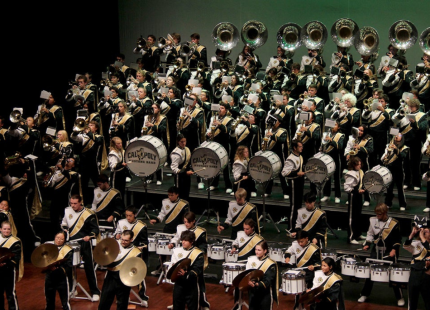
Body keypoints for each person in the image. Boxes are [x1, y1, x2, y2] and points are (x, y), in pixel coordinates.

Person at [359, 203, 403, 306]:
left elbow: (398, 239)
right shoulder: (373, 220)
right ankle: (364, 294)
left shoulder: (394, 223)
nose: (377, 216)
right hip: (377, 249)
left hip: (389, 250)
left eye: (379, 214)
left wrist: (394, 249)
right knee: (370, 271)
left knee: (393, 274)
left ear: (384, 213)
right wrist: (367, 244)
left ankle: (399, 297)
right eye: (376, 214)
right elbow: (370, 234)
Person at [61, 194, 100, 300]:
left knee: (89, 267)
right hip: (71, 243)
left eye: (75, 203)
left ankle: (95, 291)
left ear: (80, 202)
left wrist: (90, 236)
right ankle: (72, 289)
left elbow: (95, 229)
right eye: (71, 203)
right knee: (69, 267)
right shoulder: (67, 210)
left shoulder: (88, 214)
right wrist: (65, 229)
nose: (72, 205)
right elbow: (64, 222)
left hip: (84, 243)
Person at [168, 211, 209, 310]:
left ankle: (203, 303)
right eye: (185, 221)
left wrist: (195, 252)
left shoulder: (200, 231)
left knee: (198, 284)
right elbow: (177, 238)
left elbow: (203, 246)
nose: (186, 224)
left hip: (194, 257)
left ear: (193, 221)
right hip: (182, 256)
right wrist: (172, 243)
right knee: (178, 295)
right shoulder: (180, 228)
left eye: (188, 222)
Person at [98, 230, 143, 310]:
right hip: (110, 277)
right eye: (122, 239)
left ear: (131, 240)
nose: (123, 242)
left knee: (122, 304)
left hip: (124, 279)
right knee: (104, 302)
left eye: (126, 240)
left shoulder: (136, 252)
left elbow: (137, 269)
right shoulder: (114, 245)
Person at [114, 206, 149, 303]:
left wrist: (140, 247)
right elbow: (117, 234)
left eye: (130, 216)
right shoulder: (121, 222)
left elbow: (144, 242)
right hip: (123, 252)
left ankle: (142, 296)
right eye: (126, 215)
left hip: (134, 252)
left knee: (139, 274)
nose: (128, 218)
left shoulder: (142, 226)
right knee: (121, 273)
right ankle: (122, 296)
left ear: (135, 215)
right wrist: (116, 235)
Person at [285, 230, 321, 309]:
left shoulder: (314, 249)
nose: (300, 244)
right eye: (298, 241)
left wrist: (313, 266)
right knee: (298, 292)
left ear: (307, 238)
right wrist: (287, 257)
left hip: (310, 275)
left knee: (309, 295)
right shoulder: (295, 244)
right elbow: (288, 251)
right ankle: (298, 306)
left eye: (302, 241)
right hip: (299, 273)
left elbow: (319, 263)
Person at [171, 230, 204, 310]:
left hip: (191, 285)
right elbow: (173, 265)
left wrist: (186, 274)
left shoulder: (198, 254)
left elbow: (197, 270)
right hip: (178, 284)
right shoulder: (176, 251)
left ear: (192, 241)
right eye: (182, 240)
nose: (183, 242)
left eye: (186, 240)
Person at [48, 157, 82, 234]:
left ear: (73, 165)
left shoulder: (75, 174)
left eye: (71, 160)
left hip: (65, 199)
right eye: (68, 159)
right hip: (55, 199)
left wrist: (62, 170)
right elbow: (51, 185)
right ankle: (55, 235)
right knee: (53, 218)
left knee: (66, 218)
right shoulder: (57, 172)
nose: (68, 160)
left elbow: (70, 178)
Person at [206, 103, 233, 193]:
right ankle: (214, 183)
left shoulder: (229, 119)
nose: (220, 109)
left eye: (222, 108)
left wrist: (219, 124)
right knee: (215, 163)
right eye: (219, 108)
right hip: (215, 142)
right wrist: (208, 133)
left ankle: (228, 185)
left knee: (225, 165)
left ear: (226, 110)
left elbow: (228, 130)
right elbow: (209, 128)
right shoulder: (213, 118)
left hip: (225, 143)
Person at [403, 223, 430, 310]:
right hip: (415, 274)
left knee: (428, 302)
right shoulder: (416, 243)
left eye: (426, 232)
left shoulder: (427, 244)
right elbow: (406, 246)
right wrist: (412, 234)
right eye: (424, 232)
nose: (425, 233)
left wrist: (422, 237)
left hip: (427, 275)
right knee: (412, 302)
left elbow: (428, 250)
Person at [245, 241, 278, 310]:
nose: (256, 252)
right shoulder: (251, 259)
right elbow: (247, 274)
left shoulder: (270, 264)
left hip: (265, 294)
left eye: (259, 250)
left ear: (265, 251)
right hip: (253, 293)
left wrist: (256, 284)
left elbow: (268, 281)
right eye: (256, 249)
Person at [44, 232, 73, 310]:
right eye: (57, 238)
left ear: (64, 240)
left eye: (61, 239)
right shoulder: (48, 247)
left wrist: (58, 269)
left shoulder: (68, 250)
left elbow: (69, 265)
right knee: (49, 301)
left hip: (61, 278)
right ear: (54, 237)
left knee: (65, 302)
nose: (59, 240)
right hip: (50, 276)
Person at [345, 125, 373, 206]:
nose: (359, 132)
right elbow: (348, 148)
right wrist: (347, 154)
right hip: (353, 162)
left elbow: (371, 150)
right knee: (352, 181)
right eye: (359, 130)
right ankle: (350, 197)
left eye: (361, 131)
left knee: (364, 181)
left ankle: (367, 199)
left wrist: (360, 147)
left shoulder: (369, 139)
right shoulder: (353, 138)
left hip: (363, 163)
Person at [282, 140, 305, 230]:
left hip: (299, 183)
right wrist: (296, 173)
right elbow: (284, 173)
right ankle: (290, 228)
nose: (301, 148)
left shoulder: (300, 156)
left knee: (298, 206)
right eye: (300, 146)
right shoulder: (290, 158)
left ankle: (296, 226)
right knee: (293, 207)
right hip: (293, 184)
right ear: (295, 148)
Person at [381, 133, 408, 210]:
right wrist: (384, 157)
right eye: (396, 135)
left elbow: (402, 156)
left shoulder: (405, 148)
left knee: (400, 189)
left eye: (398, 136)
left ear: (402, 138)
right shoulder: (389, 146)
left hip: (399, 170)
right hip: (390, 169)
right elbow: (384, 157)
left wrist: (396, 149)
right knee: (389, 188)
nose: (396, 136)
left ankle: (402, 204)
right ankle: (388, 203)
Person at [0, 221, 22, 310]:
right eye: (4, 229)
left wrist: (5, 263)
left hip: (8, 270)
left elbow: (17, 257)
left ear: (11, 230)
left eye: (8, 229)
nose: (6, 231)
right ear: (0, 229)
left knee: (10, 293)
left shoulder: (15, 241)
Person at [321, 121, 345, 203]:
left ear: (338, 127)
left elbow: (340, 147)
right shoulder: (327, 133)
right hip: (327, 157)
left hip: (336, 158)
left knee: (337, 178)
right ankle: (326, 195)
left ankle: (337, 196)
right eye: (332, 124)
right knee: (326, 177)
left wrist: (331, 140)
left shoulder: (341, 135)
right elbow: (323, 144)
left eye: (335, 125)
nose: (333, 126)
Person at [344, 156, 365, 244]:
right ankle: (351, 237)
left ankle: (357, 234)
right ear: (354, 165)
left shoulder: (360, 172)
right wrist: (356, 191)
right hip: (353, 196)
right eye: (358, 165)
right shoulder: (350, 174)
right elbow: (346, 187)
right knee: (352, 217)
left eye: (360, 164)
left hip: (358, 196)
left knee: (358, 215)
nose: (360, 166)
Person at [170, 134, 193, 201]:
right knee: (180, 195)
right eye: (181, 142)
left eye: (185, 141)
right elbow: (174, 169)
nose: (184, 143)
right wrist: (185, 173)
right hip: (179, 177)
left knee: (186, 194)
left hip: (186, 176)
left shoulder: (187, 149)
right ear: (178, 142)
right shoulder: (176, 153)